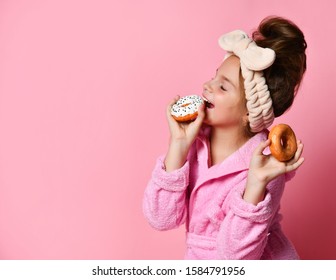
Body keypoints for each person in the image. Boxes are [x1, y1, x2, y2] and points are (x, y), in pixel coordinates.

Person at [143, 16, 307, 260]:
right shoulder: (194, 142)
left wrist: (255, 185)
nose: (208, 85)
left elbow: (235, 257)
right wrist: (177, 146)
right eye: (214, 76)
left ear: (248, 112)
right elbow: (160, 219)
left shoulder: (266, 166)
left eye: (223, 87)